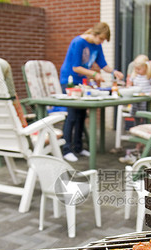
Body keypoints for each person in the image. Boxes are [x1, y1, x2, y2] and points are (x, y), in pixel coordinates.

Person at [59, 22, 124, 162]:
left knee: (82, 115)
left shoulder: (97, 45)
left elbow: (103, 64)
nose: (101, 42)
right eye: (100, 39)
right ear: (94, 34)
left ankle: (78, 147)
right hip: (69, 80)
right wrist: (94, 75)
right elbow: (76, 67)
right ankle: (66, 150)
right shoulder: (78, 42)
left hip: (82, 81)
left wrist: (114, 72)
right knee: (72, 115)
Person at [119, 55, 151, 164]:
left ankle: (142, 146)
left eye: (139, 69)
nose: (137, 71)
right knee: (136, 124)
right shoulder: (134, 76)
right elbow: (129, 87)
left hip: (145, 104)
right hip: (136, 104)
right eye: (135, 69)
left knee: (145, 123)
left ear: (146, 67)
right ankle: (138, 146)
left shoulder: (149, 76)